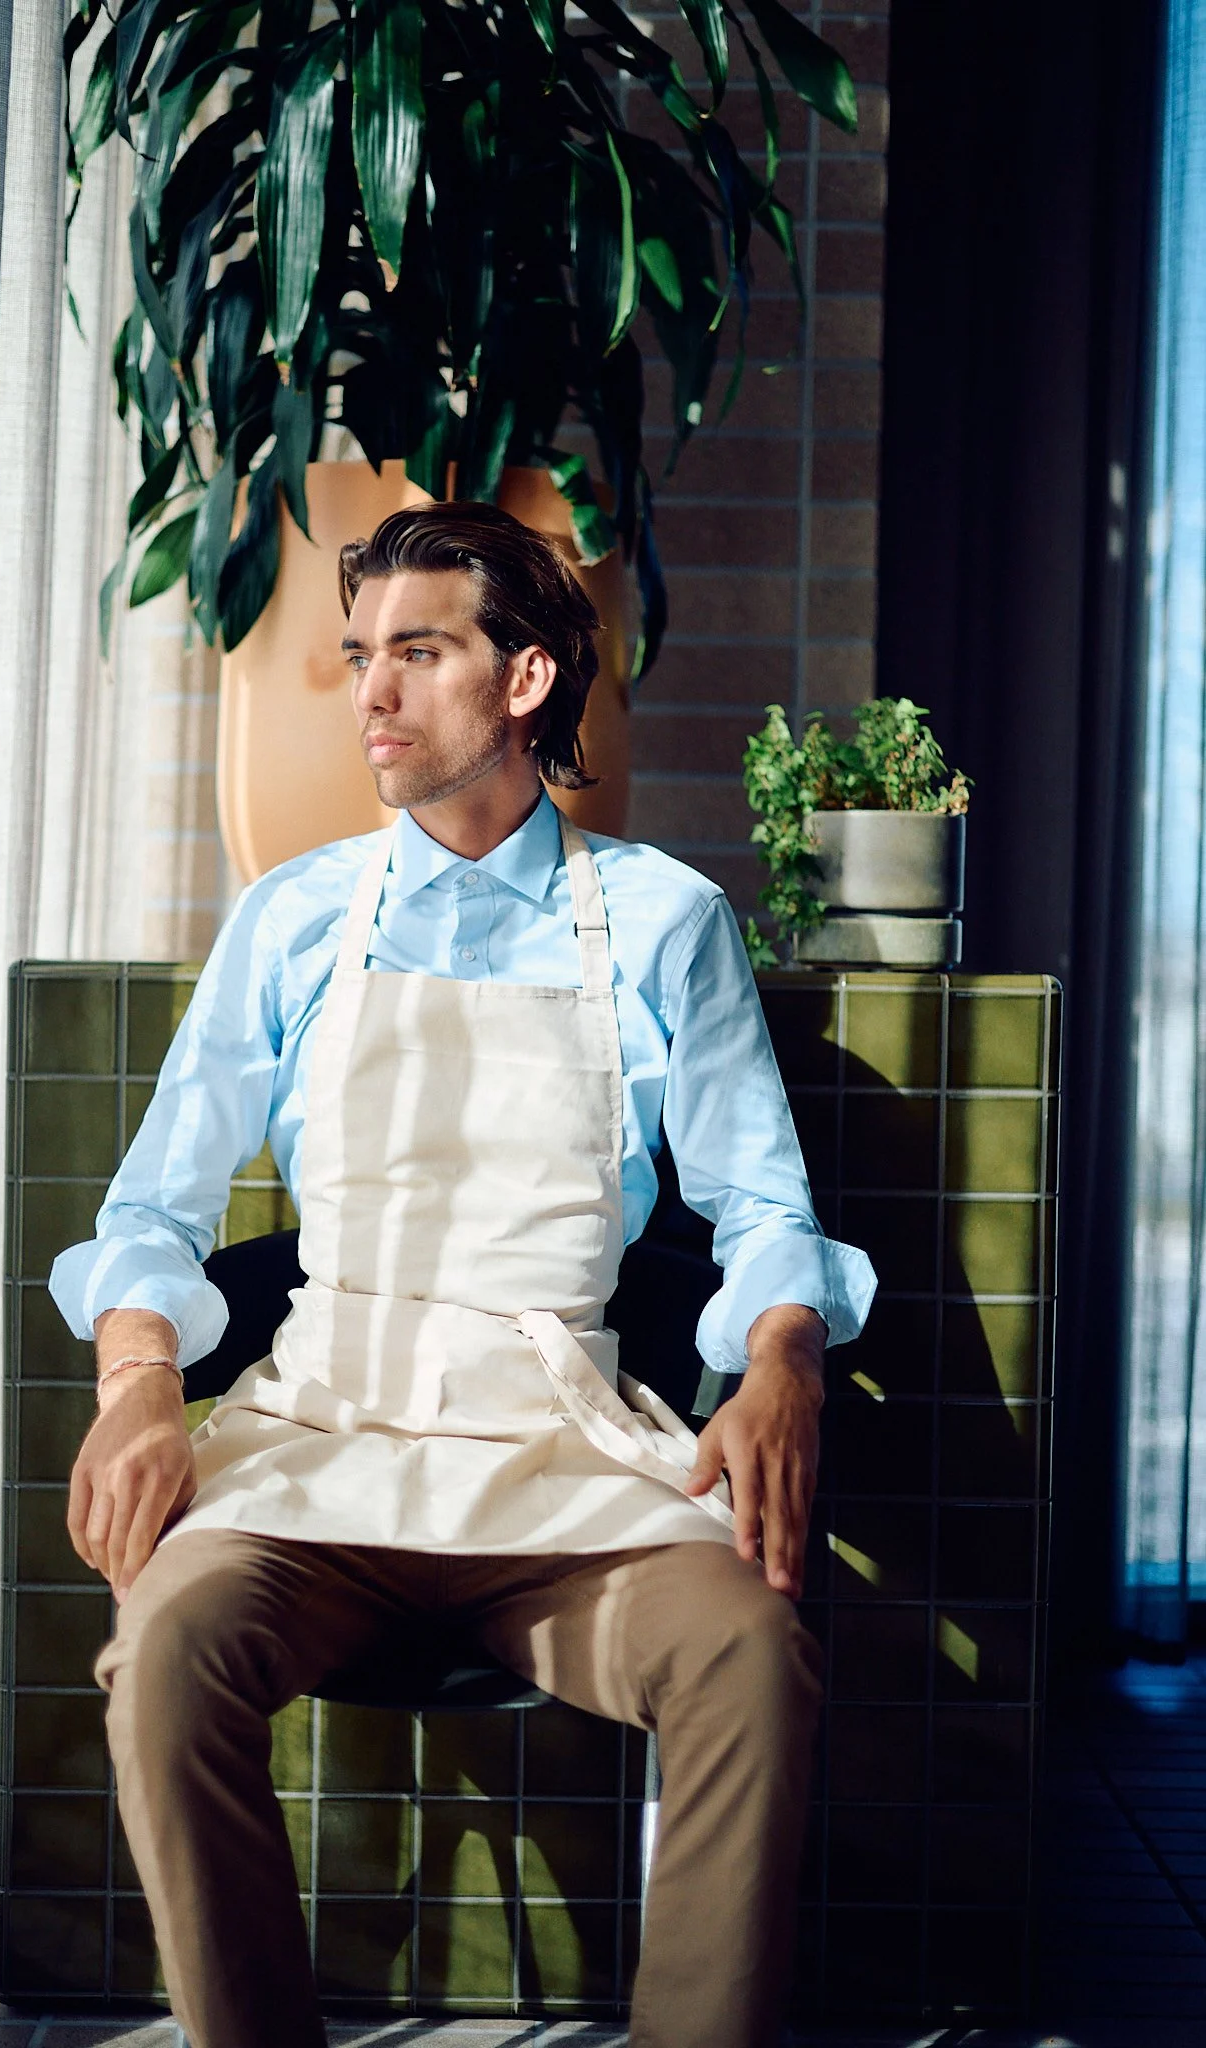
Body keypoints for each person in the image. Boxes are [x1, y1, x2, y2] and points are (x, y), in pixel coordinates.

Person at [50, 501, 876, 2048]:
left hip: (563, 1460)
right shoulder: (293, 921)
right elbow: (149, 1210)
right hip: (323, 1442)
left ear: (526, 679)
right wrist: (141, 1382)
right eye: (361, 656)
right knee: (162, 1650)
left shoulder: (661, 922)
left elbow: (765, 1204)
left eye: (416, 653)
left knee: (751, 1660)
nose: (369, 693)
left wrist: (782, 1363)